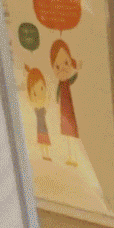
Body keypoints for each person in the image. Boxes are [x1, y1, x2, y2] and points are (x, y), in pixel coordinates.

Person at [50, 39, 80, 167]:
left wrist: (77, 71)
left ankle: (75, 157)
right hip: (64, 111)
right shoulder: (60, 83)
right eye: (57, 67)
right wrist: (56, 103)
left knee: (72, 134)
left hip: (69, 110)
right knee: (67, 135)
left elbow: (73, 78)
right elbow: (57, 95)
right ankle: (70, 156)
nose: (62, 69)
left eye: (66, 63)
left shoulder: (67, 81)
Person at [26, 66, 52, 161]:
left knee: (45, 142)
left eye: (41, 88)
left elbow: (48, 100)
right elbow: (29, 100)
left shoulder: (42, 109)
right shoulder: (36, 108)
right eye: (34, 93)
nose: (39, 94)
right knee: (42, 142)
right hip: (40, 129)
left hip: (44, 128)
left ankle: (47, 155)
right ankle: (44, 155)